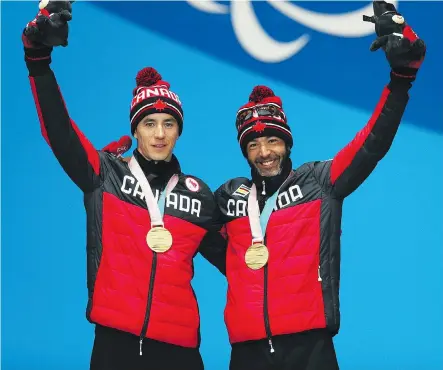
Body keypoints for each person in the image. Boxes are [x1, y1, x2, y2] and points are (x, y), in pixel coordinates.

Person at [211, 2, 426, 370]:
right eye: (253, 145)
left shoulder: (319, 182)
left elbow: (371, 144)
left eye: (273, 142)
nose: (264, 153)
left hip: (311, 352)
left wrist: (402, 79)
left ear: (288, 144)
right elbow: (183, 227)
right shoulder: (229, 197)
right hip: (246, 354)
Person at [22, 1, 226, 369]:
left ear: (179, 131)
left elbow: (242, 264)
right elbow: (59, 133)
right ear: (135, 130)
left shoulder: (200, 196)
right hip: (115, 347)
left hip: (180, 351)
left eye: (169, 123)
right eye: (149, 124)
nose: (159, 134)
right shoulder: (104, 176)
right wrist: (38, 60)